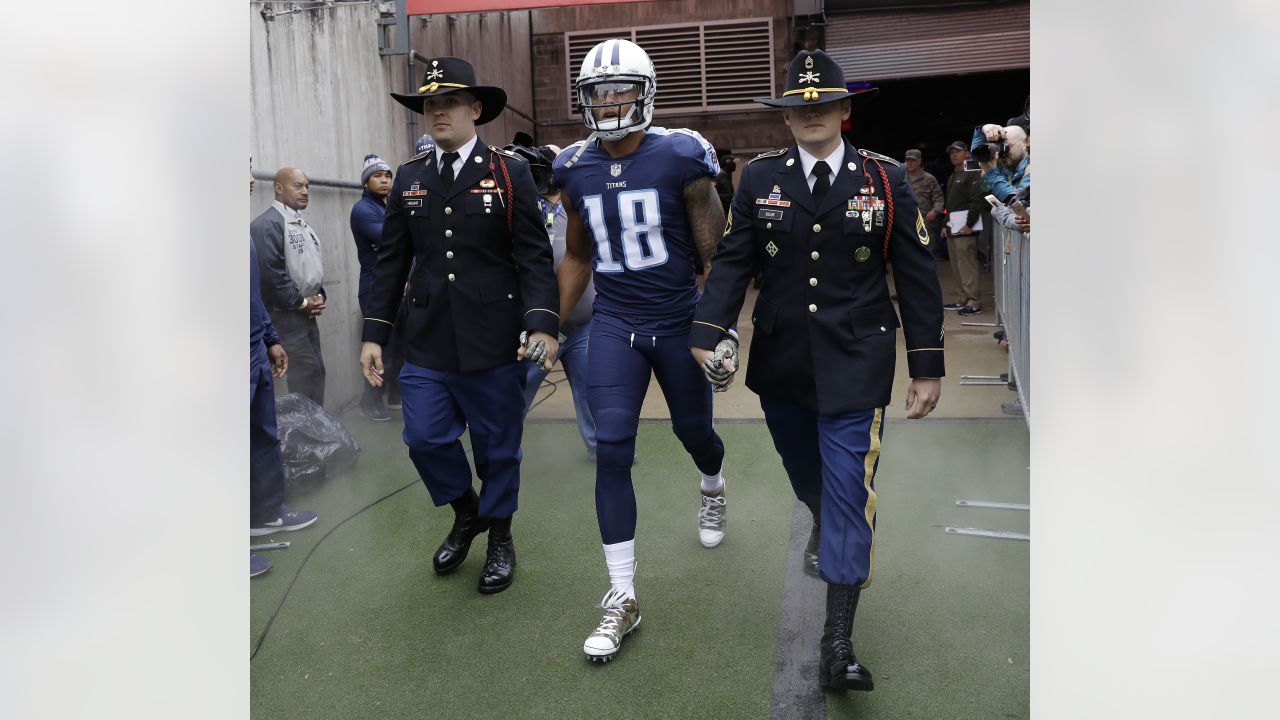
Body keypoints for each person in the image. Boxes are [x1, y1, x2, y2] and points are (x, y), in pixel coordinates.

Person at [689, 50, 944, 693]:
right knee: (813, 484)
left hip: (859, 361)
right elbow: (732, 261)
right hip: (782, 365)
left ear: (845, 111)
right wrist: (708, 328)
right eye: (799, 106)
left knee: (848, 498)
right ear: (787, 117)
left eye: (822, 104)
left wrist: (927, 365)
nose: (811, 114)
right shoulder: (758, 179)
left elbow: (915, 275)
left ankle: (838, 642)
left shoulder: (884, 178)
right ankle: (827, 529)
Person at [554, 38, 729, 662]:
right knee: (613, 446)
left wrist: (720, 327)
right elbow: (577, 254)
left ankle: (712, 485)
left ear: (645, 92)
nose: (609, 101)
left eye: (621, 89)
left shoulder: (682, 155)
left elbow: (715, 254)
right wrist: (550, 320)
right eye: (599, 92)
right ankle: (622, 595)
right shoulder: (573, 164)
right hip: (616, 322)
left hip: (680, 319)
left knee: (694, 432)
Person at [358, 56, 559, 595]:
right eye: (429, 103)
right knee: (424, 439)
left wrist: (542, 324)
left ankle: (500, 536)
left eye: (447, 102)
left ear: (476, 109)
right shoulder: (410, 177)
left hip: (495, 341)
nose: (437, 111)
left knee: (497, 449)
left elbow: (535, 257)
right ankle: (467, 511)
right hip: (426, 341)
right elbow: (391, 262)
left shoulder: (507, 172)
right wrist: (374, 333)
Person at [505, 140, 600, 461]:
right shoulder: (516, 210)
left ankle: (603, 449)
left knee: (592, 394)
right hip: (536, 327)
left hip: (584, 325)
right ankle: (501, 451)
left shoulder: (579, 204)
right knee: (516, 394)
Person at [248, 168, 318, 578]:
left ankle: (266, 512)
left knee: (263, 434)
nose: (249, 176)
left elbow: (252, 292)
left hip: (254, 346)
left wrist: (270, 338)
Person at [250, 166, 328, 406]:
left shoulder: (301, 224)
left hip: (304, 314)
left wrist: (319, 295)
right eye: (298, 186)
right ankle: (306, 437)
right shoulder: (267, 225)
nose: (305, 191)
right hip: (285, 317)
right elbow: (270, 276)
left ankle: (317, 432)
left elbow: (309, 267)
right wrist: (302, 302)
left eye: (307, 186)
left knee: (315, 372)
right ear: (278, 187)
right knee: (306, 375)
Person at [350, 153, 400, 421]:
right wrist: (396, 239)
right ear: (365, 182)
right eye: (377, 176)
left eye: (387, 175)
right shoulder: (364, 210)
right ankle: (369, 404)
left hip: (389, 284)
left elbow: (394, 240)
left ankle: (383, 397)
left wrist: (395, 240)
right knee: (381, 347)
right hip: (374, 287)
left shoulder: (385, 207)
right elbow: (390, 238)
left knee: (393, 347)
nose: (384, 180)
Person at [941, 140, 989, 315]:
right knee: (956, 266)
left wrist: (970, 224)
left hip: (966, 228)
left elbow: (976, 200)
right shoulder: (954, 174)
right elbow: (951, 204)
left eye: (958, 151)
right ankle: (962, 299)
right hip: (954, 228)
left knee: (967, 266)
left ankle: (974, 302)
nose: (954, 154)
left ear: (966, 153)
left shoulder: (973, 172)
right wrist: (945, 224)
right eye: (951, 152)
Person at [903, 148, 944, 251]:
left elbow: (939, 197)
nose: (910, 163)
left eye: (913, 160)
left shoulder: (929, 179)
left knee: (927, 254)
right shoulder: (901, 179)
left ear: (920, 161)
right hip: (906, 223)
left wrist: (935, 211)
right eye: (908, 160)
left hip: (926, 224)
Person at [714, 148, 736, 214]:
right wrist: (731, 196)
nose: (734, 164)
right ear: (726, 164)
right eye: (731, 162)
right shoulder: (721, 176)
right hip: (721, 211)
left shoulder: (726, 176)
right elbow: (716, 195)